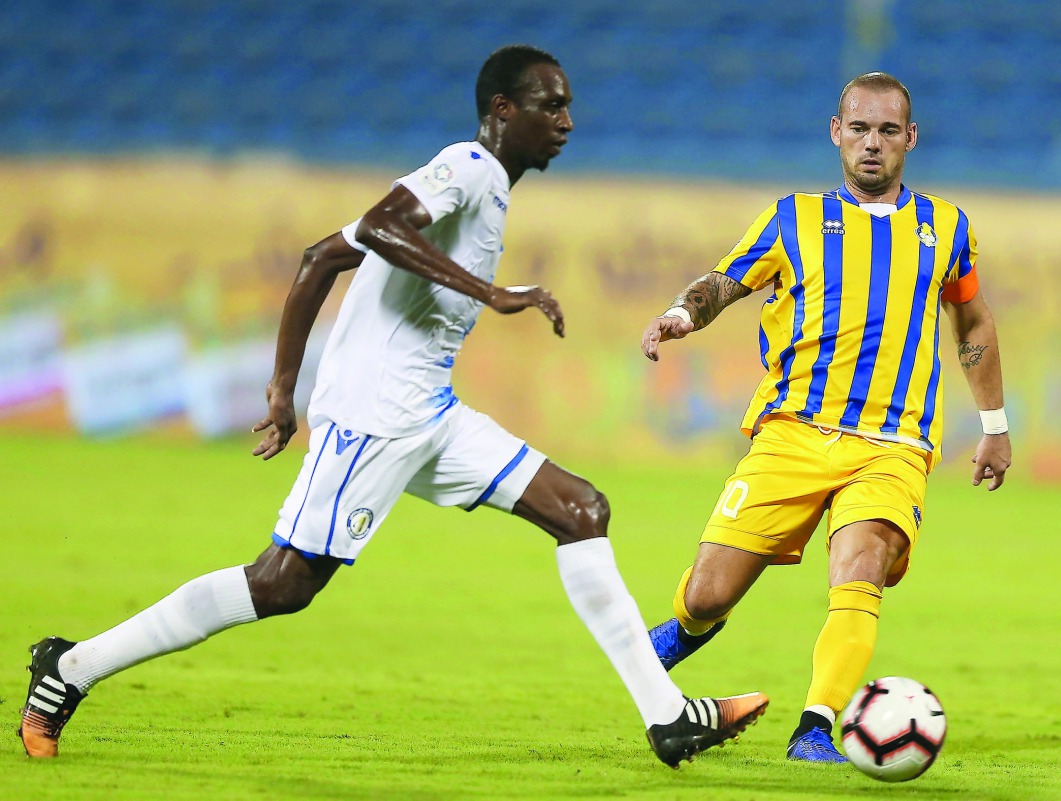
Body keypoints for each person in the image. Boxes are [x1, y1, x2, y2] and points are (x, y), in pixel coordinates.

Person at [19, 45, 767, 767]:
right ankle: (72, 667)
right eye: (551, 105)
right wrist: (491, 293)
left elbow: (321, 257)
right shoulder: (467, 167)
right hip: (374, 416)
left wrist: (283, 388)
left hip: (429, 413)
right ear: (503, 110)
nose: (567, 121)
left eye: (569, 106)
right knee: (281, 583)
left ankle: (667, 717)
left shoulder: (485, 186)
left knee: (581, 510)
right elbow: (380, 227)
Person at [639, 72, 1010, 763]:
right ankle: (681, 632)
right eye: (860, 128)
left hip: (893, 443)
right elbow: (725, 281)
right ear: (836, 133)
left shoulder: (947, 227)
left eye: (888, 130)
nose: (873, 143)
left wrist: (993, 424)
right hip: (794, 432)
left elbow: (972, 319)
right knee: (708, 593)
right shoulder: (793, 218)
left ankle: (815, 727)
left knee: (861, 566)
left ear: (910, 138)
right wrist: (682, 313)